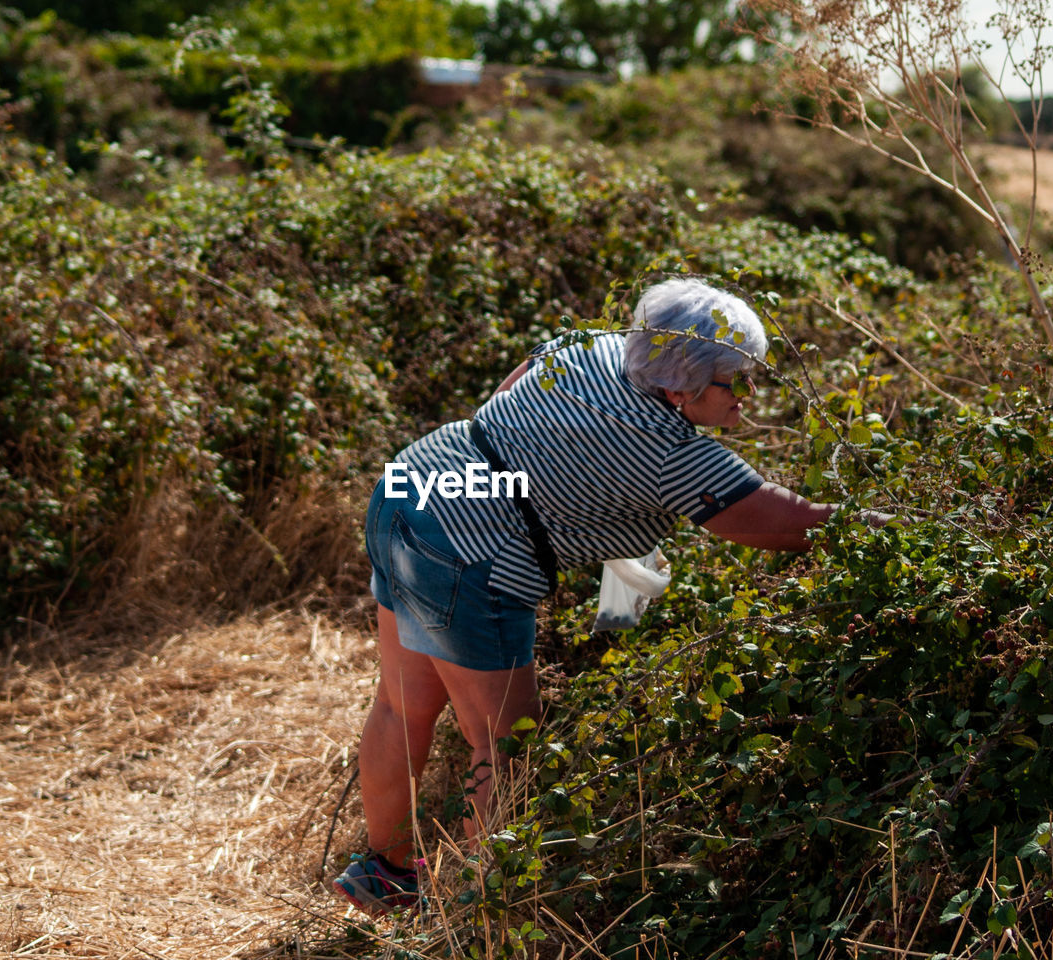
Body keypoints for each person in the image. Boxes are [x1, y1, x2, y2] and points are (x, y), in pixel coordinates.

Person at [332, 277, 842, 914]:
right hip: (470, 556)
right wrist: (898, 529)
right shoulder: (677, 456)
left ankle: (386, 876)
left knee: (400, 707)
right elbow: (789, 525)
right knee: (508, 743)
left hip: (414, 484)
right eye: (735, 380)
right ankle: (468, 914)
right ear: (682, 389)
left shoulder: (594, 348)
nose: (748, 395)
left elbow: (509, 390)